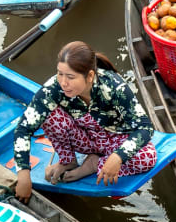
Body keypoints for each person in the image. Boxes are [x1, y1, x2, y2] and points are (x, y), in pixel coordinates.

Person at [11, 41, 156, 202]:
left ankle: (94, 164)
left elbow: (145, 127)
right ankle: (68, 161)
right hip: (85, 137)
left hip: (116, 138)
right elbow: (24, 128)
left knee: (147, 159)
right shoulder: (55, 87)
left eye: (71, 77)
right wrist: (23, 174)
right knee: (48, 114)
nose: (63, 82)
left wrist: (117, 157)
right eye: (60, 73)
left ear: (90, 76)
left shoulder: (113, 86)